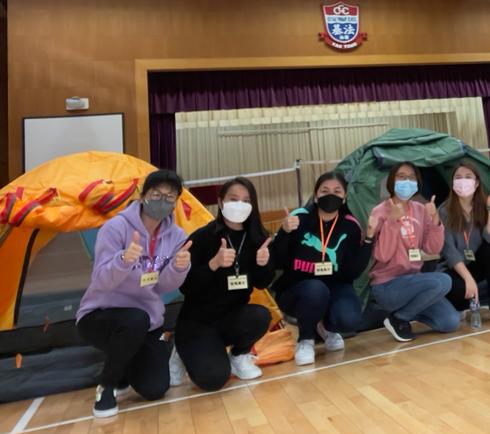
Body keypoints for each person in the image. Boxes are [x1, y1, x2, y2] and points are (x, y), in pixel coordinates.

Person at [76, 170, 192, 418]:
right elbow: (101, 280)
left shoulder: (176, 236)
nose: (162, 201)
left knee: (155, 388)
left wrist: (178, 268)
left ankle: (125, 368)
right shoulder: (115, 228)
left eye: (170, 197)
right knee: (135, 319)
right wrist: (123, 260)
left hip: (146, 321)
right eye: (156, 194)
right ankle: (107, 385)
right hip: (101, 315)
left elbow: (162, 286)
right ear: (143, 195)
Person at [171, 177, 274, 390]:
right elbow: (185, 287)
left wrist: (263, 264)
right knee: (213, 380)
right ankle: (180, 352)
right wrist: (213, 264)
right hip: (198, 323)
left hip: (231, 319)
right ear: (220, 202)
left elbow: (262, 283)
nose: (240, 204)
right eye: (233, 199)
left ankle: (239, 355)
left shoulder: (257, 238)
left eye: (246, 200)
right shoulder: (202, 237)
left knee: (260, 316)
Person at [272, 172, 371, 366]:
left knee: (350, 320)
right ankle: (306, 339)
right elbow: (277, 261)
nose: (330, 195)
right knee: (316, 289)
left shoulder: (350, 225)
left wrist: (368, 241)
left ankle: (325, 326)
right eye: (325, 191)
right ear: (316, 196)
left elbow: (352, 272)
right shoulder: (298, 218)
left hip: (335, 286)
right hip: (298, 288)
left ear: (344, 197)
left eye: (337, 191)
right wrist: (284, 232)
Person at [367, 162, 460, 343]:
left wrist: (435, 220)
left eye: (412, 178)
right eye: (401, 177)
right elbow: (382, 255)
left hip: (414, 283)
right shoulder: (380, 211)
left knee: (449, 322)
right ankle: (399, 318)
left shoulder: (420, 209)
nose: (407, 181)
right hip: (387, 285)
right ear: (392, 181)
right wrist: (392, 222)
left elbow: (432, 249)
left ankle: (404, 313)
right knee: (443, 280)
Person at [439, 161, 490, 324]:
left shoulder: (484, 205)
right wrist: (468, 278)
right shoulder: (444, 210)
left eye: (468, 177)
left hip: (478, 262)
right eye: (458, 177)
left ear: (477, 183)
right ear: (452, 183)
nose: (463, 181)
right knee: (456, 287)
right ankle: (461, 306)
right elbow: (449, 251)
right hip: (456, 267)